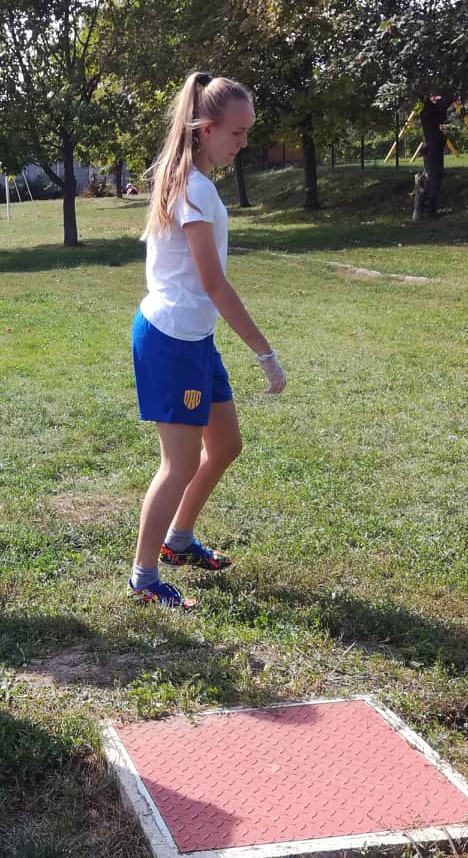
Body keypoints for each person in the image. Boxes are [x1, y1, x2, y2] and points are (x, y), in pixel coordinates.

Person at [128, 72, 286, 611]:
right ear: (206, 128)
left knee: (224, 446)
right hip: (171, 340)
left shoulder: (195, 181)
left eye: (247, 132)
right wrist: (265, 353)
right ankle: (144, 578)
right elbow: (213, 283)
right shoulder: (193, 187)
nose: (244, 143)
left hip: (194, 338)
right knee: (179, 463)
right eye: (237, 133)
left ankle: (177, 541)